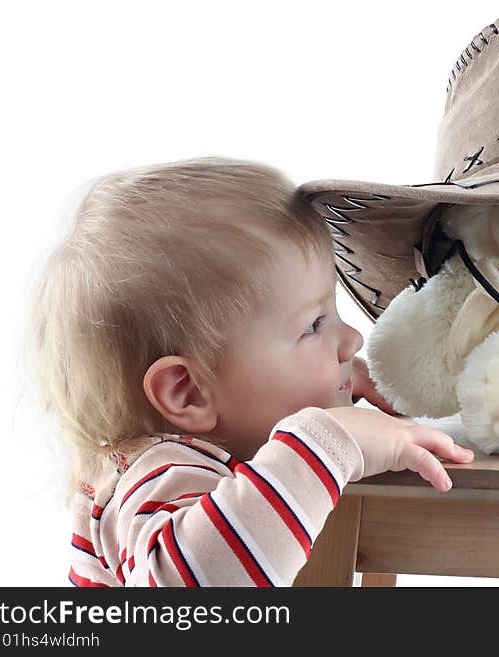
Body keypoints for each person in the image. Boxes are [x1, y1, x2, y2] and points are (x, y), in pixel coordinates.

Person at [29, 157, 474, 587]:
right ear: (189, 393)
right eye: (314, 325)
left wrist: (337, 381)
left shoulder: (169, 459)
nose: (351, 341)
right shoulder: (160, 477)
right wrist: (325, 443)